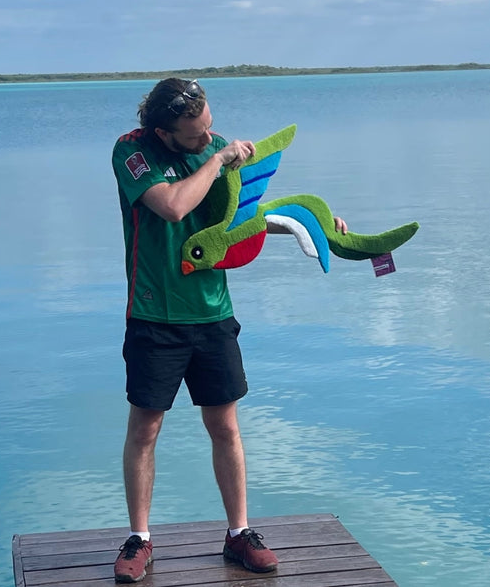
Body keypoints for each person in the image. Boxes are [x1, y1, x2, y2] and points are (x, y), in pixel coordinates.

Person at [109, 77, 345, 583]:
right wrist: (216, 162)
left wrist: (314, 223)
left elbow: (241, 221)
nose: (208, 139)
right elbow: (171, 205)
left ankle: (239, 533)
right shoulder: (133, 153)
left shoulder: (213, 147)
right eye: (195, 135)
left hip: (213, 314)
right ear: (163, 131)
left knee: (226, 427)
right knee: (145, 430)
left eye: (210, 128)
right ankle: (141, 539)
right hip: (155, 315)